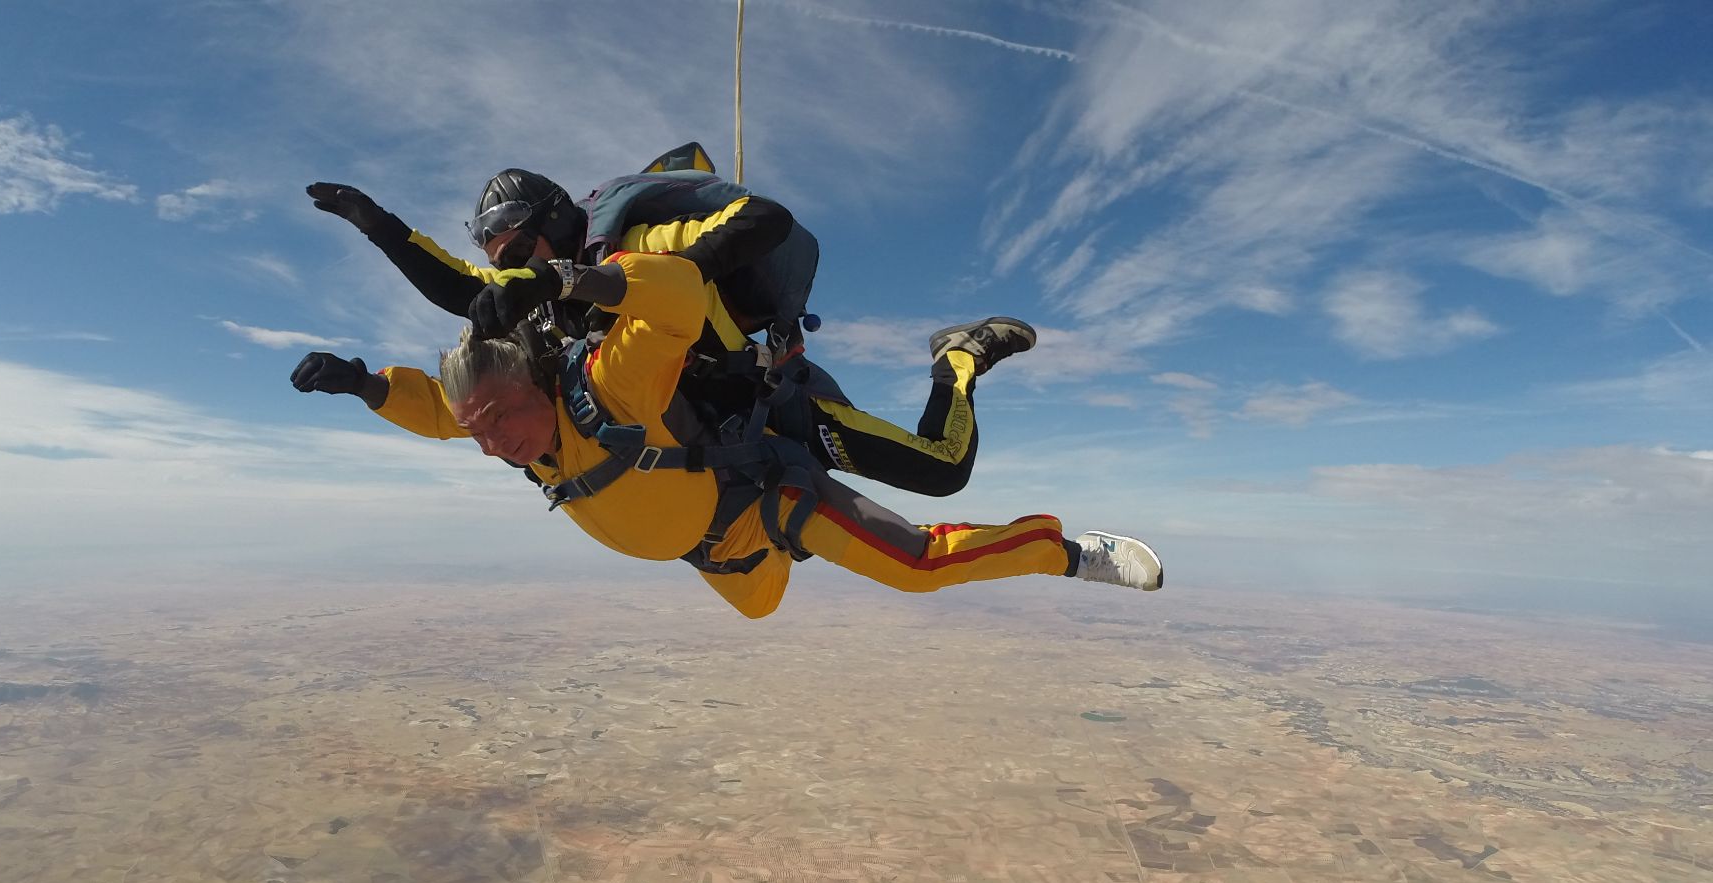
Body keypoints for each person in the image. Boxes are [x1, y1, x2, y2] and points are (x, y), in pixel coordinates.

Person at [289, 248, 1162, 619]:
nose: (488, 445)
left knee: (920, 562)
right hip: (721, 552)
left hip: (769, 500)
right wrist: (365, 385)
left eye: (497, 423)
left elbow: (669, 299)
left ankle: (1067, 552)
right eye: (478, 434)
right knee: (763, 605)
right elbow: (442, 413)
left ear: (533, 384)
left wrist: (571, 280)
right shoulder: (523, 430)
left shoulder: (604, 388)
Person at [306, 157, 1007, 498]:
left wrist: (678, 271)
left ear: (553, 224)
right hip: (710, 429)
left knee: (939, 471)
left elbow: (766, 220)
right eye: (505, 263)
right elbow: (465, 292)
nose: (514, 271)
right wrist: (380, 227)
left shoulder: (640, 240)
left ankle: (957, 360)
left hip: (767, 405)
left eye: (520, 252)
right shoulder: (546, 292)